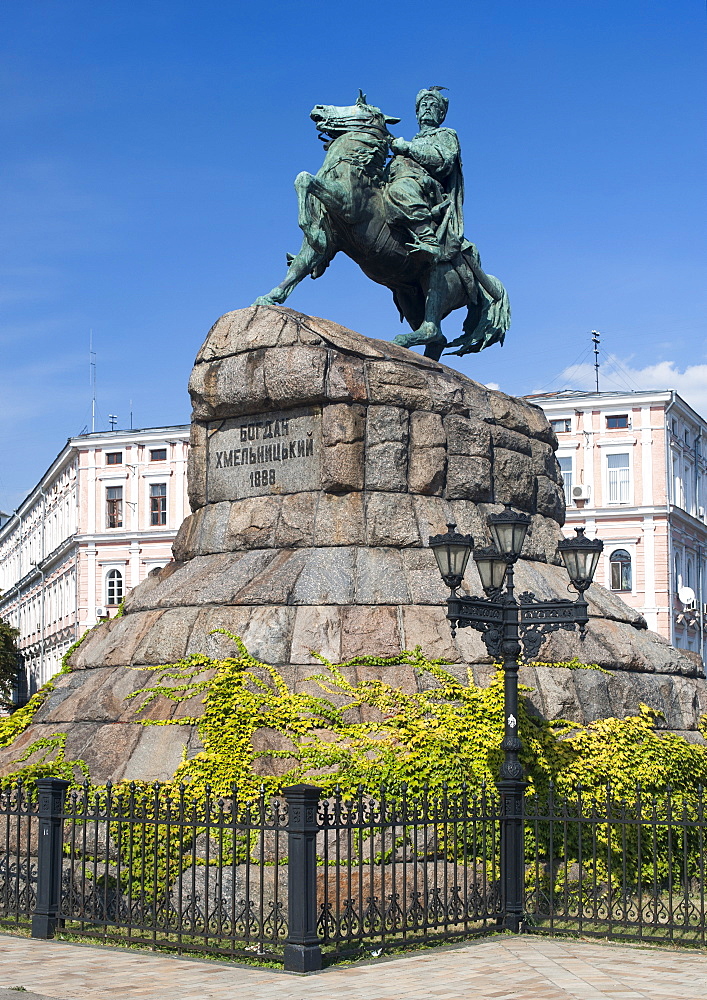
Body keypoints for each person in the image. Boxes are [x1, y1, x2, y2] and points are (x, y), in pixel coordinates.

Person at [387, 87, 464, 260]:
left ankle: (428, 240)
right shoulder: (413, 140)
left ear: (441, 114)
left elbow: (443, 160)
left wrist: (407, 148)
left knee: (399, 190)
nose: (427, 108)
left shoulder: (445, 134)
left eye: (433, 105)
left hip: (428, 189)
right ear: (417, 113)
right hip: (406, 180)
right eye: (423, 105)